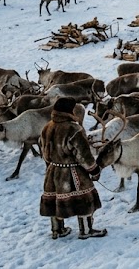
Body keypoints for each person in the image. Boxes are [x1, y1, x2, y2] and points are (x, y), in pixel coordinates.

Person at [39, 97, 106, 239]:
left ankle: (57, 229)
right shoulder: (74, 129)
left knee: (55, 198)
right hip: (73, 172)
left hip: (53, 170)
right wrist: (94, 170)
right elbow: (83, 155)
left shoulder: (47, 127)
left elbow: (45, 152)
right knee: (84, 198)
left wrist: (52, 166)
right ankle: (86, 231)